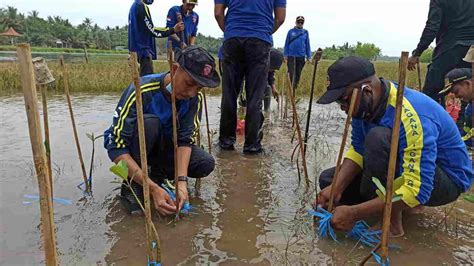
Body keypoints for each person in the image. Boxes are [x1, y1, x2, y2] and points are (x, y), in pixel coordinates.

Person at [315, 56, 473, 236]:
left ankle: (392, 221)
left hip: (446, 181)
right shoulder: (364, 106)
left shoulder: (410, 115)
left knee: (379, 138)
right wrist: (337, 188)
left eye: (343, 100)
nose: (343, 108)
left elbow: (419, 190)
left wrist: (355, 213)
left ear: (366, 90)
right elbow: (358, 150)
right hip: (409, 171)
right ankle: (398, 206)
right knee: (329, 179)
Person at [104, 46, 220, 216]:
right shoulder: (140, 90)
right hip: (139, 152)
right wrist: (151, 189)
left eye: (199, 88)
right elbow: (115, 146)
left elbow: (185, 140)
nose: (191, 93)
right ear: (174, 70)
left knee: (204, 162)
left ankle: (160, 178)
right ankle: (136, 182)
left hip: (166, 150)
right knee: (150, 124)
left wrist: (181, 182)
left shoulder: (194, 98)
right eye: (189, 83)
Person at [214, 0, 286, 154]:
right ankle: (252, 145)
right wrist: (264, 32)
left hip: (233, 38)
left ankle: (226, 142)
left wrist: (229, 32)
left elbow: (218, 13)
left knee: (229, 94)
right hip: (260, 39)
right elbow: (280, 18)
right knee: (255, 96)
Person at [407, 0, 474, 102]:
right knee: (469, 90)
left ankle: (435, 117)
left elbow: (432, 27)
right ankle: (464, 117)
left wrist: (417, 53)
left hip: (449, 48)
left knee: (431, 94)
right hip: (471, 51)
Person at [128, 0, 184, 77]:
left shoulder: (134, 6)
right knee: (147, 81)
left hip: (136, 50)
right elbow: (151, 30)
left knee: (141, 80)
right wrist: (172, 30)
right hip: (143, 50)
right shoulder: (140, 6)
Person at [439, 68, 473, 147]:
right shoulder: (469, 108)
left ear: (467, 84)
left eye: (456, 91)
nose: (456, 96)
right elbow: (467, 135)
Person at [284, 16, 311, 93]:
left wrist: (309, 56)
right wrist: (285, 55)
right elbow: (286, 44)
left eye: (301, 22)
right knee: (291, 73)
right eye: (298, 22)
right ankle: (290, 90)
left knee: (298, 74)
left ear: (303, 23)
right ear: (296, 22)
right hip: (291, 56)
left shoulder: (305, 32)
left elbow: (307, 44)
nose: (300, 23)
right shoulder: (290, 32)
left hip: (301, 56)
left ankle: (295, 89)